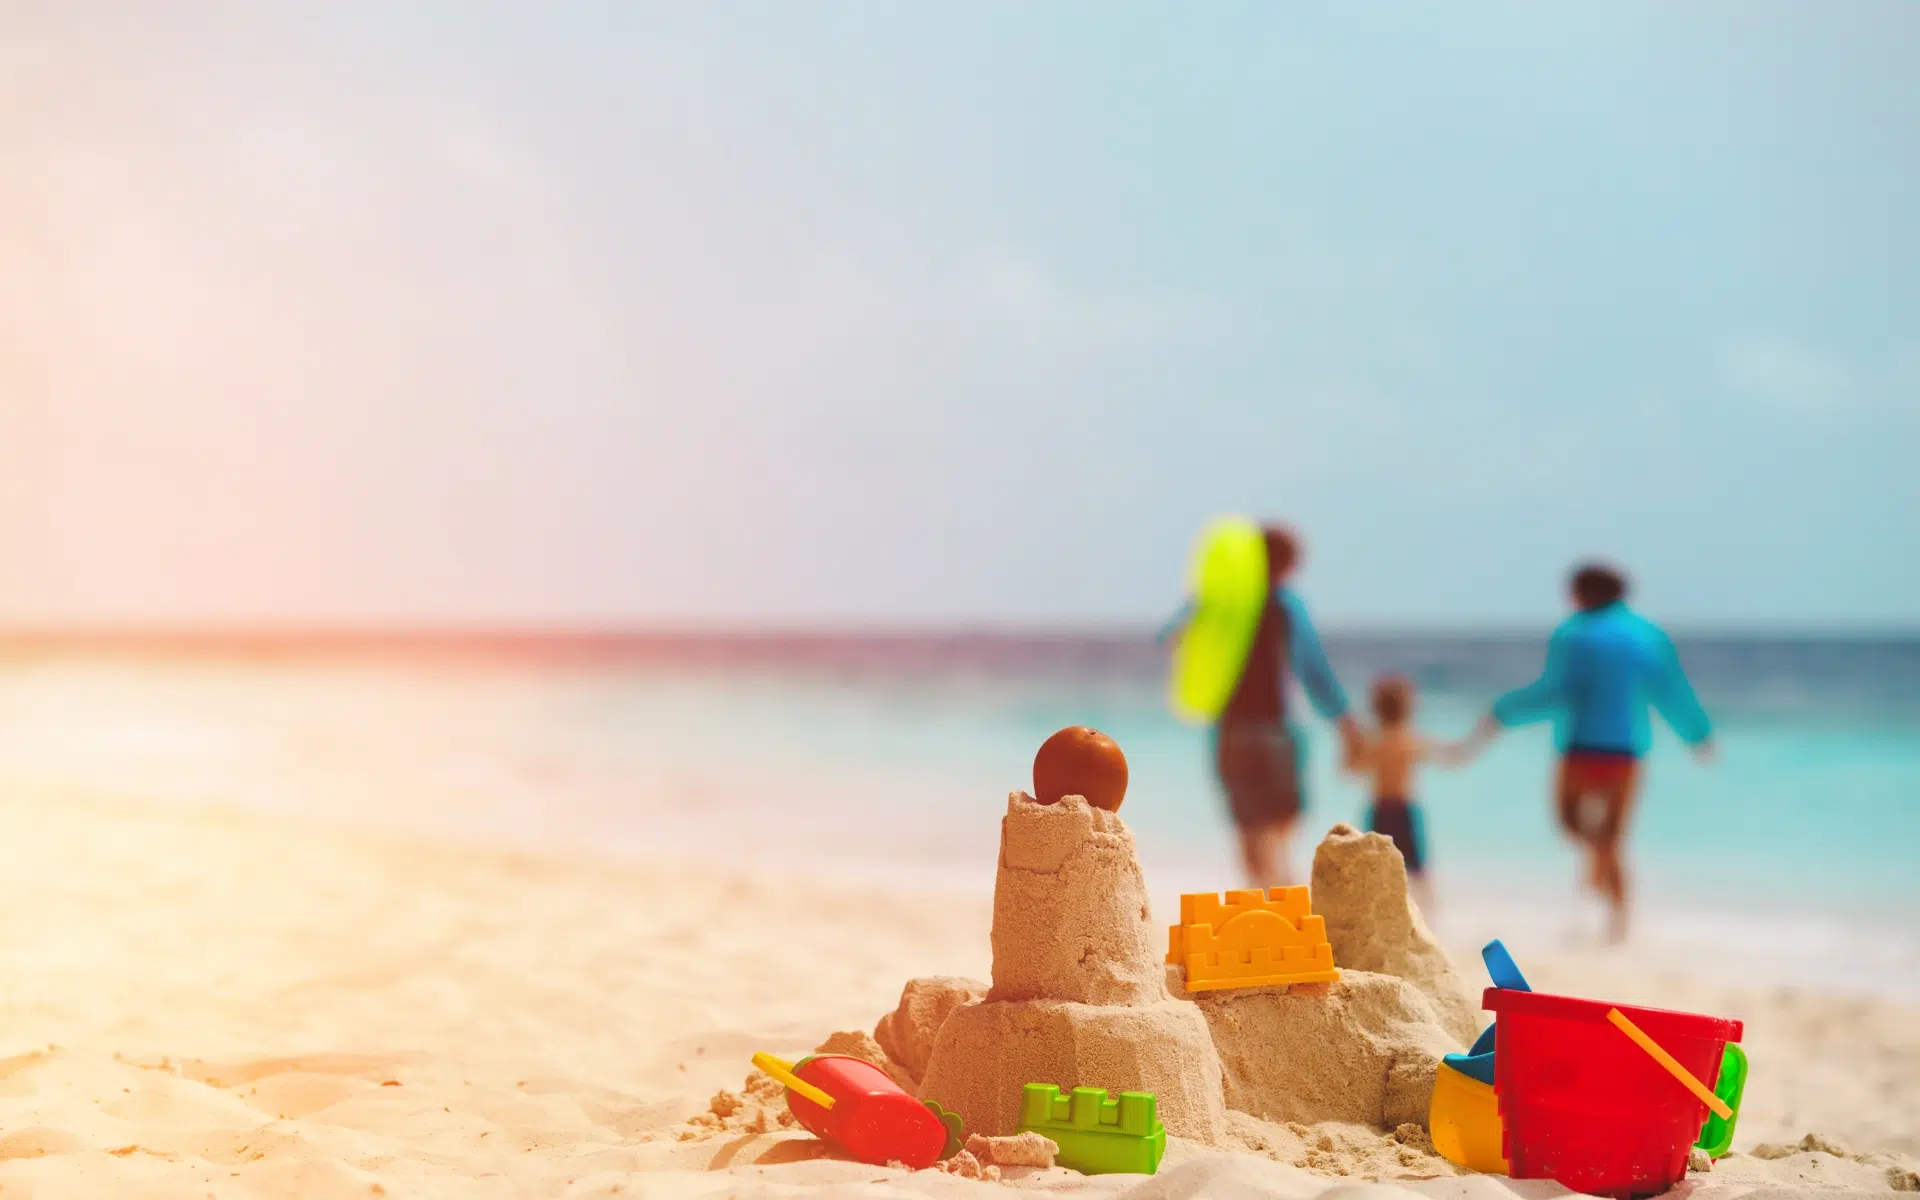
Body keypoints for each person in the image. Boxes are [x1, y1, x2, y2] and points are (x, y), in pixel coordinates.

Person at [1462, 561, 1714, 943]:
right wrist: (1698, 733)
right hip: (1627, 751)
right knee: (1612, 837)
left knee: (1569, 823)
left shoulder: (1573, 634)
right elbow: (1670, 691)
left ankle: (1604, 884)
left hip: (1581, 748)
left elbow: (1556, 690)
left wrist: (1504, 711)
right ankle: (1619, 919)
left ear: (1587, 592)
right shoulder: (1648, 635)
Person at [1162, 525, 1361, 888]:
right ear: (1287, 565)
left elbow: (1172, 637)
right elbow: (1314, 671)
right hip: (1274, 731)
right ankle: (1279, 893)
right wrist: (1346, 724)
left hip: (1231, 732)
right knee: (1281, 826)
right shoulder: (1286, 605)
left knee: (1248, 827)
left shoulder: (1220, 603)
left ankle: (1260, 897)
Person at [1344, 674, 1471, 914]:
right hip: (1404, 812)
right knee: (1418, 871)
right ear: (1409, 707)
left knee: (1375, 870)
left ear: (1375, 708)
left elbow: (1351, 770)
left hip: (1380, 811)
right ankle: (1431, 919)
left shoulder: (1374, 742)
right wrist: (1478, 737)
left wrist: (1350, 744)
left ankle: (1377, 918)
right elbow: (1452, 756)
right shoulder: (1411, 740)